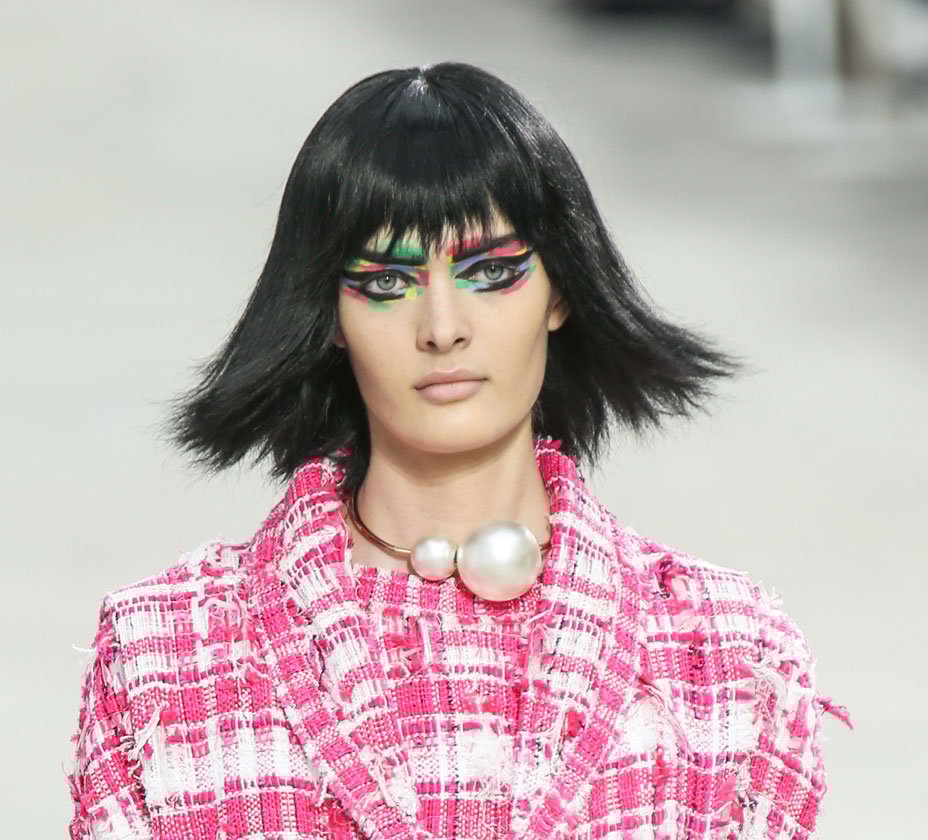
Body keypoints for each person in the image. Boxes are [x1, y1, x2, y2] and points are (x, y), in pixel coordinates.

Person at [65, 61, 853, 840]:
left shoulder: (724, 658)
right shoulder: (165, 656)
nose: (442, 328)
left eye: (490, 271)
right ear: (326, 314)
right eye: (386, 283)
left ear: (562, 289)